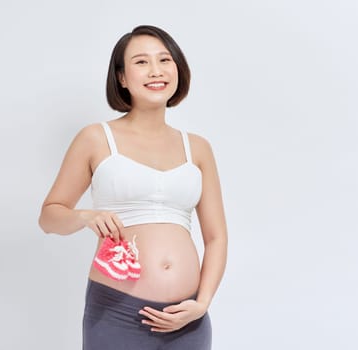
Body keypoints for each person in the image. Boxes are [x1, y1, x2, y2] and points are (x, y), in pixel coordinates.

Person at [39, 25, 227, 350]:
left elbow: (216, 237)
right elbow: (49, 217)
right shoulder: (96, 138)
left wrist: (202, 303)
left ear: (177, 69)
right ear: (122, 78)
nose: (156, 70)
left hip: (188, 319)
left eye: (164, 60)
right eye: (141, 62)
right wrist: (85, 216)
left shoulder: (197, 148)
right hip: (117, 313)